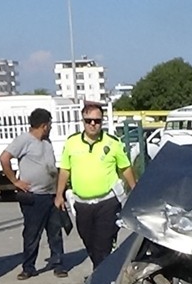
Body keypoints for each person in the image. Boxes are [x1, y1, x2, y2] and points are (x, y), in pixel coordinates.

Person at [54, 104, 135, 268]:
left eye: (97, 121)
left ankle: (103, 278)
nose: (92, 124)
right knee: (89, 241)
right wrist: (59, 194)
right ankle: (102, 270)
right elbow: (65, 170)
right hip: (82, 204)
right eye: (88, 120)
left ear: (102, 122)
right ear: (82, 121)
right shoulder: (72, 142)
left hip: (107, 203)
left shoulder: (113, 143)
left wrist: (135, 189)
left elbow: (125, 168)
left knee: (103, 243)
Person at [0, 108, 66, 280]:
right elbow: (4, 158)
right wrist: (15, 181)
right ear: (44, 125)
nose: (50, 127)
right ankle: (29, 267)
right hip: (35, 196)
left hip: (51, 194)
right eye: (50, 124)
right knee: (32, 233)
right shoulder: (24, 140)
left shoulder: (46, 141)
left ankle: (58, 263)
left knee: (55, 231)